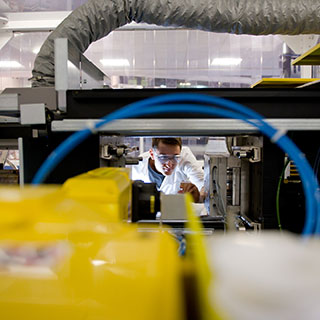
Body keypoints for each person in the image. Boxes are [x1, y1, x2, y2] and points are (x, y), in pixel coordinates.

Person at [131, 137, 204, 202]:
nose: (169, 164)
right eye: (163, 157)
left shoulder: (185, 157)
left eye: (175, 157)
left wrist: (197, 196)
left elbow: (203, 187)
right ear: (152, 154)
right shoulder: (138, 167)